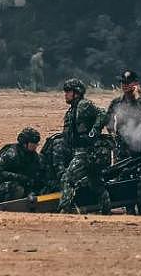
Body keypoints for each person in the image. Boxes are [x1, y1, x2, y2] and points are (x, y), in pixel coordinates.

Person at [57, 78, 110, 214]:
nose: (66, 94)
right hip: (82, 151)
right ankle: (106, 209)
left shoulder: (83, 105)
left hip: (85, 152)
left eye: (68, 91)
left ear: (76, 92)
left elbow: (103, 113)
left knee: (67, 179)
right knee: (96, 183)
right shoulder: (72, 111)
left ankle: (65, 209)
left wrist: (94, 131)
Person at [107, 69, 141, 159]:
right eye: (122, 82)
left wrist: (137, 96)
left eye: (128, 82)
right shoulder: (116, 102)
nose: (124, 85)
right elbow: (109, 122)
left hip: (140, 147)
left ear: (135, 84)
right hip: (121, 148)